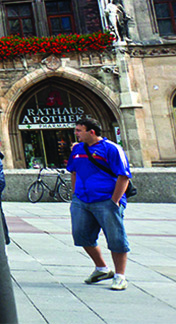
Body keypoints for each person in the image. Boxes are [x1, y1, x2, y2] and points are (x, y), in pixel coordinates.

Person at [67, 116, 130, 291]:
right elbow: (73, 171)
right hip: (81, 200)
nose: (76, 134)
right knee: (81, 235)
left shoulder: (111, 149)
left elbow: (123, 176)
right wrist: (75, 195)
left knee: (116, 238)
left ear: (91, 132)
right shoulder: (77, 149)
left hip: (106, 200)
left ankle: (120, 276)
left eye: (79, 131)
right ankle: (102, 268)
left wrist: (114, 201)